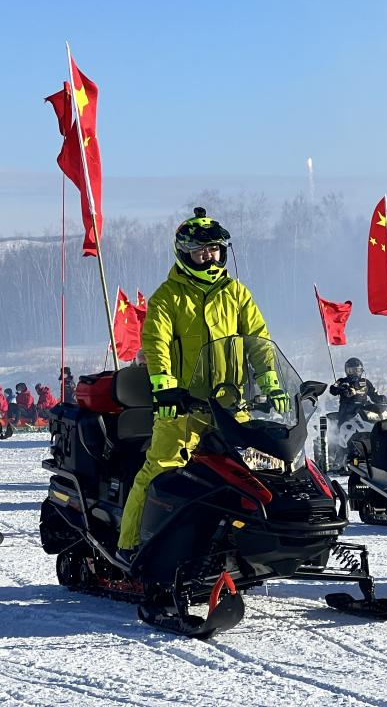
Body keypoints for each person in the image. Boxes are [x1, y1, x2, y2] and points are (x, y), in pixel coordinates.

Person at [117, 207, 276, 562]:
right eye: (202, 251)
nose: (210, 257)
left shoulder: (236, 293)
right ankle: (130, 545)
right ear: (184, 253)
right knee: (159, 468)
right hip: (183, 406)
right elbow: (156, 345)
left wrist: (270, 383)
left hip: (231, 405)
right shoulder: (167, 297)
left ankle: (262, 542)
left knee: (259, 469)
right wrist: (166, 390)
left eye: (216, 250)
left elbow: (258, 339)